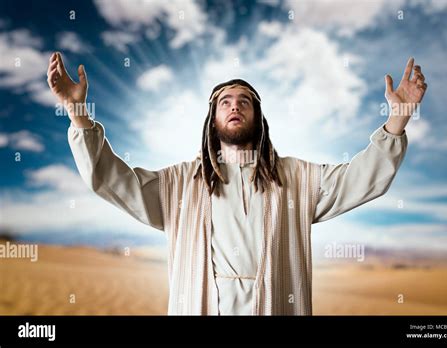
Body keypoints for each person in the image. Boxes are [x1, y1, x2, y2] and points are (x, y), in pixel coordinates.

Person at [47, 52, 427, 315]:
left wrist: (397, 121)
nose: (235, 106)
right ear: (212, 119)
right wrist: (78, 113)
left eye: (245, 101)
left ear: (259, 119)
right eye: (225, 101)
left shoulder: (295, 178)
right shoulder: (182, 184)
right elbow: (111, 179)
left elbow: (360, 180)